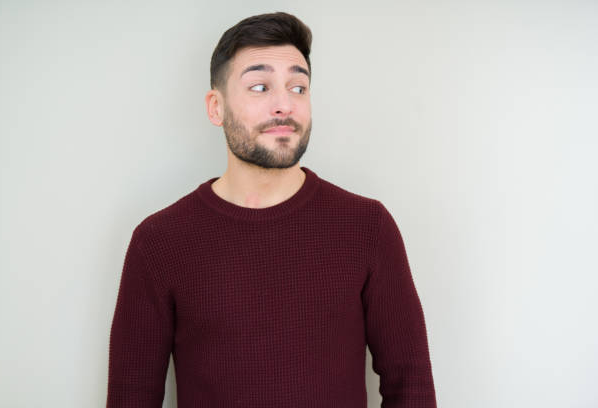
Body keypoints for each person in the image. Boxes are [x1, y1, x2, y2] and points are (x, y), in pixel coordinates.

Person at [106, 11, 437, 408]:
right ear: (216, 107)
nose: (284, 105)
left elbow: (412, 388)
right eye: (260, 87)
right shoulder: (159, 243)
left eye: (298, 87)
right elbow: (131, 397)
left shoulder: (368, 228)